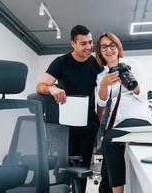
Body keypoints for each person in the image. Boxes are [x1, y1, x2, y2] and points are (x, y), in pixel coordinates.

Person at [36, 25, 103, 193]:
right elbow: (40, 86)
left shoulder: (95, 63)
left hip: (88, 123)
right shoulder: (61, 62)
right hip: (65, 126)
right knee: (63, 169)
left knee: (83, 169)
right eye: (83, 43)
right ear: (73, 44)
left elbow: (104, 92)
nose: (89, 47)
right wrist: (52, 88)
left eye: (90, 42)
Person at [95, 32, 152, 193]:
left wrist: (130, 84)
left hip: (137, 118)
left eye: (112, 45)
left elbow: (143, 96)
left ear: (118, 47)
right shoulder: (101, 76)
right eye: (104, 46)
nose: (109, 49)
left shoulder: (133, 64)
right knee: (108, 156)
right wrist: (104, 84)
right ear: (100, 51)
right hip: (117, 124)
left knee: (108, 141)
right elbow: (101, 102)